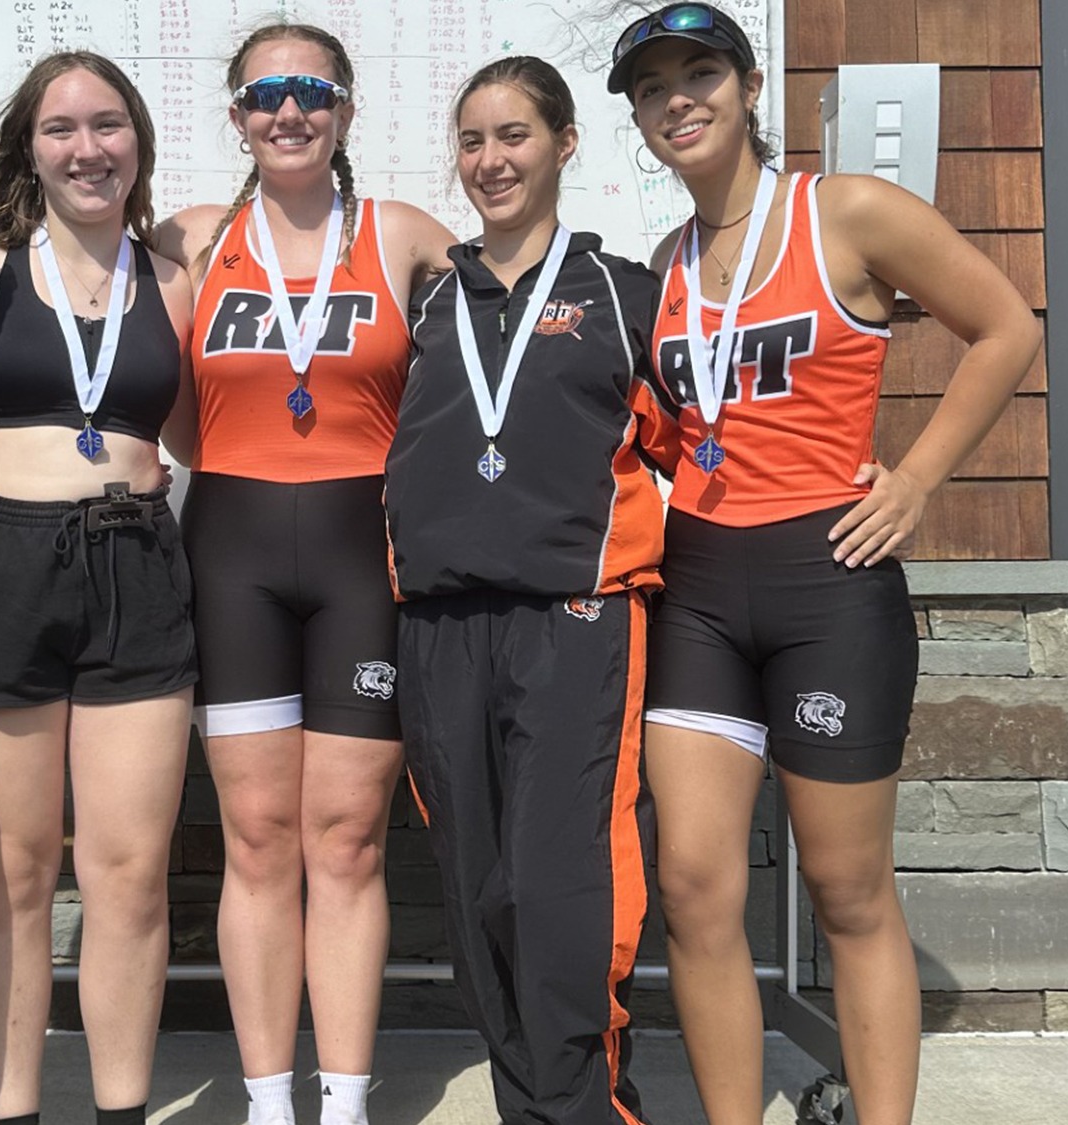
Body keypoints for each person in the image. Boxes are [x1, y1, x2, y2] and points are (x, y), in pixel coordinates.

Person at [611, 6, 1043, 1124]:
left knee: (847, 892)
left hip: (827, 583)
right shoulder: (664, 264)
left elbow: (1003, 326)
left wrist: (913, 481)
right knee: (695, 893)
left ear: (749, 86)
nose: (676, 100)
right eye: (652, 86)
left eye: (698, 71)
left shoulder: (840, 210)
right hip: (698, 589)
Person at [152, 23, 455, 1125]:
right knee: (257, 838)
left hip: (359, 556)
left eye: (309, 91)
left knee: (344, 836)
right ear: (234, 114)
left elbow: (481, 380)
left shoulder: (407, 236)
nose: (288, 111)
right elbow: (159, 395)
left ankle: (344, 1098)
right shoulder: (189, 239)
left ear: (344, 107)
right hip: (229, 542)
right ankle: (269, 1097)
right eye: (264, 93)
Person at [385, 56, 678, 1125]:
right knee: (476, 897)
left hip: (575, 618)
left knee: (561, 890)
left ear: (562, 144)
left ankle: (588, 1109)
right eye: (470, 141)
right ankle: (530, 1105)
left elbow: (701, 450)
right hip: (437, 624)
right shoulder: (422, 305)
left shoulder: (623, 294)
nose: (489, 160)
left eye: (512, 136)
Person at [0, 52, 197, 1125]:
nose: (87, 149)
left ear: (138, 140)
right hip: (5, 567)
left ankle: (121, 1111)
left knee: (129, 875)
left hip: (137, 562)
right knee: (13, 874)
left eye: (107, 126)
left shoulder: (172, 278)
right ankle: (15, 1111)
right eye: (60, 129)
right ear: (29, 149)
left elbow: (199, 439)